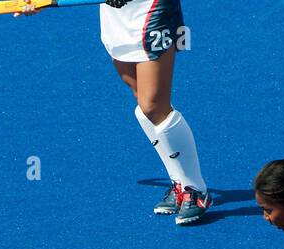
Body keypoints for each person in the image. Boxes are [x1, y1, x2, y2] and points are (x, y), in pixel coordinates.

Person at [17, 0, 211, 223]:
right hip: (116, 13)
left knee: (152, 105)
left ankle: (196, 189)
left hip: (151, 9)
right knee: (141, 97)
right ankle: (179, 182)